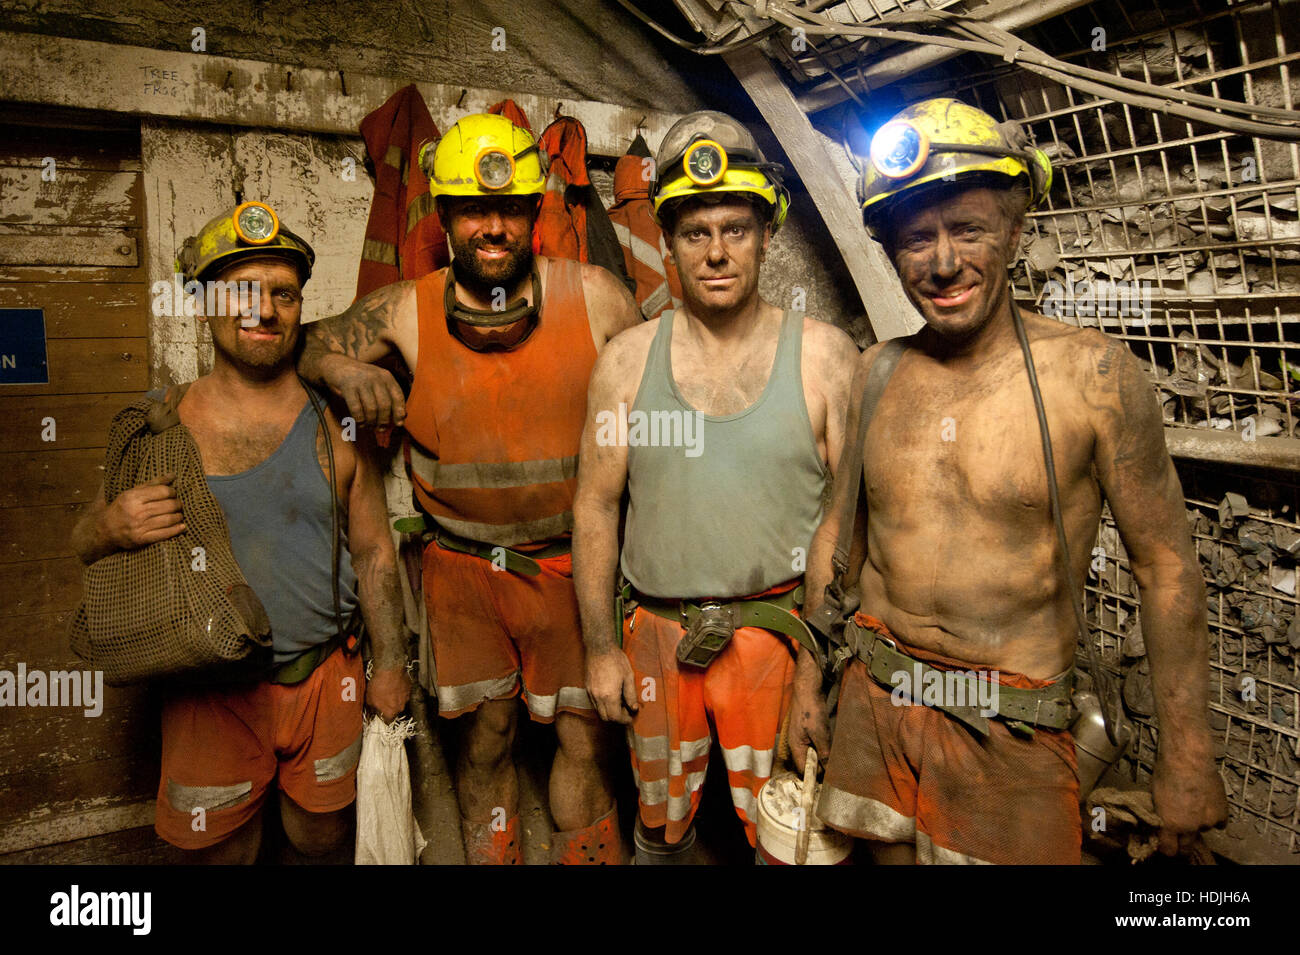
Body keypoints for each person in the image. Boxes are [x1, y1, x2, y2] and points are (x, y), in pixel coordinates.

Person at [794, 98, 1228, 864]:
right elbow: (839, 533)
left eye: (967, 229)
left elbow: (1165, 568)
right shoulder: (876, 372)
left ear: (1016, 230)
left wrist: (1188, 756)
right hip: (873, 695)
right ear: (891, 248)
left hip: (1012, 728)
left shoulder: (1093, 377)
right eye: (917, 237)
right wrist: (806, 674)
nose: (943, 260)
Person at [298, 114, 640, 864]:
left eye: (511, 208)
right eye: (474, 209)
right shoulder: (408, 310)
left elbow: (664, 408)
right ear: (446, 217)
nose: (494, 225)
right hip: (462, 571)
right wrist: (346, 369)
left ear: (534, 214)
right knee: (487, 739)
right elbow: (306, 340)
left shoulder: (598, 297)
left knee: (585, 737)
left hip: (569, 566)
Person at [71, 202, 410, 863]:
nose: (264, 308)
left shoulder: (334, 424)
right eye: (242, 291)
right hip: (208, 692)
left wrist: (391, 664)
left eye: (283, 293)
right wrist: (110, 524)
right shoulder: (158, 425)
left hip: (325, 682)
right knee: (223, 852)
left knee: (322, 839)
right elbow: (82, 541)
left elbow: (373, 550)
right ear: (203, 304)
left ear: (298, 308)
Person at [573, 111, 859, 862]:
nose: (718, 251)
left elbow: (850, 522)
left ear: (769, 235)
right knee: (662, 834)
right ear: (666, 242)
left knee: (787, 836)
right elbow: (596, 506)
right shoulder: (627, 363)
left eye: (736, 227)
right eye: (695, 233)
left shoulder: (827, 359)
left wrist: (817, 670)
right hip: (660, 642)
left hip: (780, 640)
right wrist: (601, 648)